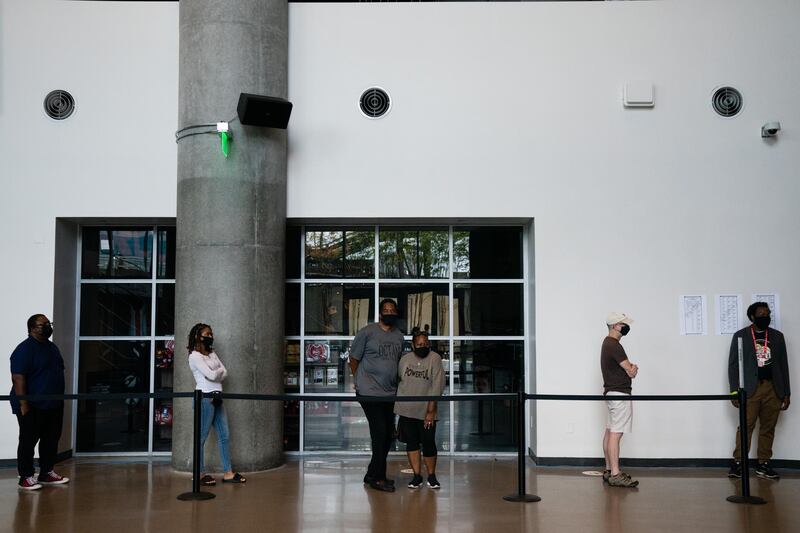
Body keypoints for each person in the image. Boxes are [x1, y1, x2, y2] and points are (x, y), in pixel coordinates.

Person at [727, 302, 791, 480]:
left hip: (773, 388)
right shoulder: (741, 336)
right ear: (752, 317)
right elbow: (733, 365)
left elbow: (784, 365)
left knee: (768, 427)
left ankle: (764, 464)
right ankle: (739, 463)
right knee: (746, 426)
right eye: (761, 314)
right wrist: (734, 391)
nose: (766, 316)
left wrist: (786, 392)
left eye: (768, 313)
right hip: (749, 389)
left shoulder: (778, 337)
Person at [349, 299, 404, 492]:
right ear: (380, 313)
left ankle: (372, 472)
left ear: (395, 313)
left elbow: (397, 363)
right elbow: (354, 358)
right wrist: (358, 380)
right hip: (369, 391)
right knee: (379, 432)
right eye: (385, 310)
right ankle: (378, 478)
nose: (389, 312)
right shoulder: (367, 332)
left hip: (389, 392)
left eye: (392, 310)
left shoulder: (399, 336)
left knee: (388, 435)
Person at [10, 314, 70, 491]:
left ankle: (46, 472)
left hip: (53, 404)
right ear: (32, 328)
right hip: (32, 405)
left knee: (51, 439)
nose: (46, 326)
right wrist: (24, 404)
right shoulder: (24, 349)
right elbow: (18, 378)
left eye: (48, 323)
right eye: (42, 324)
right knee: (28, 441)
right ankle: (26, 476)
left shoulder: (52, 348)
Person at [187, 323, 246, 485]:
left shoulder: (212, 353)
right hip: (204, 399)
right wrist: (217, 373)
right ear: (198, 336)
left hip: (217, 397)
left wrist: (216, 373)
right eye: (207, 334)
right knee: (201, 437)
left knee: (224, 435)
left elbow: (224, 373)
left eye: (212, 333)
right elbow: (212, 375)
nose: (211, 337)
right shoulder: (194, 356)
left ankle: (228, 473)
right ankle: (199, 474)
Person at [395, 330, 445, 489]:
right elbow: (399, 380)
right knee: (412, 443)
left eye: (425, 343)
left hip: (426, 410)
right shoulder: (405, 359)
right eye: (419, 344)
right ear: (412, 345)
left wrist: (430, 412)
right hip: (407, 410)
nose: (423, 346)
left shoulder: (435, 359)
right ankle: (417, 476)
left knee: (429, 442)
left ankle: (431, 475)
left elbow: (437, 386)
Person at [601, 312, 639, 488]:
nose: (626, 327)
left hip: (611, 393)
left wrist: (630, 369)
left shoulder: (607, 343)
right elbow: (630, 370)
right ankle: (616, 474)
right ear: (616, 325)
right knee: (616, 433)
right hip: (619, 393)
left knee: (610, 431)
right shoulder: (614, 345)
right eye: (624, 324)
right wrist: (633, 368)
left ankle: (609, 470)